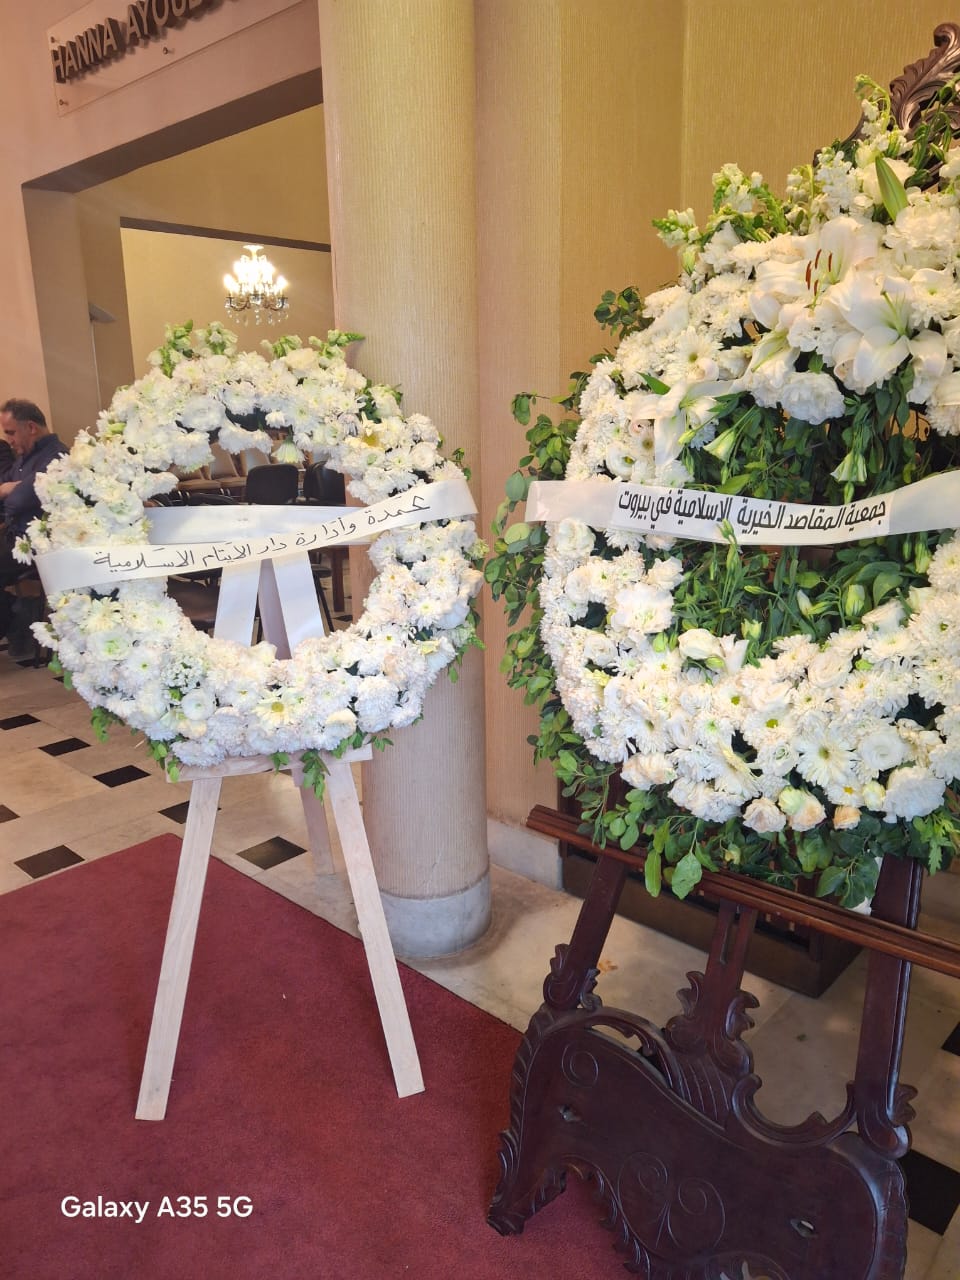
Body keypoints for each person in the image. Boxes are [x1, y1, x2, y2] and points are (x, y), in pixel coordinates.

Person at [0, 399, 66, 646]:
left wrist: (8, 490)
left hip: (36, 543)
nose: (8, 440)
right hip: (13, 536)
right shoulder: (23, 458)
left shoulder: (57, 456)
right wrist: (10, 488)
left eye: (10, 432)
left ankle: (16, 618)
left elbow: (17, 501)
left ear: (31, 427)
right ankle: (14, 614)